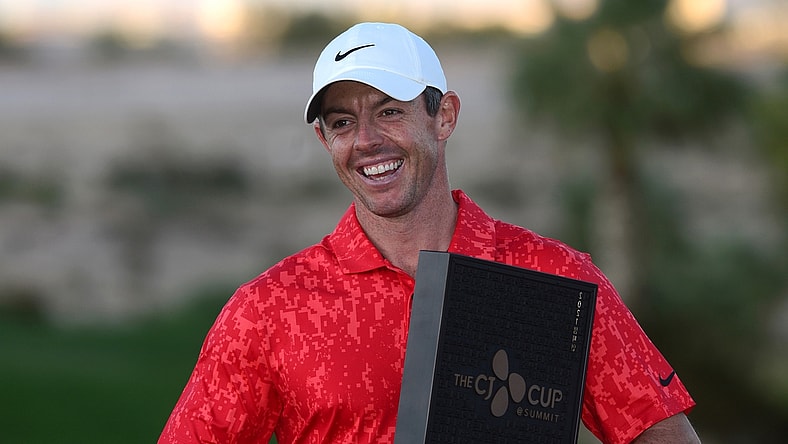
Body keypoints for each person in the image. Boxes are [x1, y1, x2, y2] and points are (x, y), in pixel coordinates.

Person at [159, 22, 699, 443]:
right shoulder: (267, 310)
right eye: (342, 122)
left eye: (390, 112)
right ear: (325, 140)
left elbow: (661, 434)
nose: (366, 140)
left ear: (445, 117)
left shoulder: (555, 277)